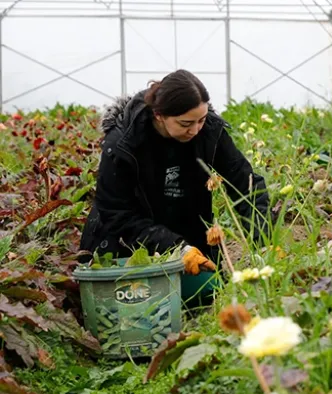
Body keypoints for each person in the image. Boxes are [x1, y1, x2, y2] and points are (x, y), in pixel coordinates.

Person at [79, 69, 270, 307]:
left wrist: (263, 240)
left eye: (201, 120)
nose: (195, 130)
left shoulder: (209, 132)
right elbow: (116, 214)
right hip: (127, 248)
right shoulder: (123, 143)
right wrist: (176, 248)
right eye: (185, 123)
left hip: (186, 239)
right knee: (138, 304)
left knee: (210, 292)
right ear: (159, 115)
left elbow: (246, 183)